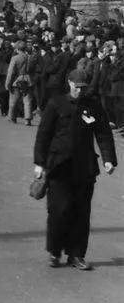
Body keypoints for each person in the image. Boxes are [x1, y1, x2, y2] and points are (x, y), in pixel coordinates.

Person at [33, 69, 117, 270]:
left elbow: (103, 133)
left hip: (84, 167)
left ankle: (77, 254)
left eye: (83, 87)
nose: (79, 90)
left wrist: (108, 159)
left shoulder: (93, 106)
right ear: (69, 83)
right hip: (59, 167)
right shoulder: (56, 103)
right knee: (59, 211)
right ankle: (55, 252)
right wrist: (39, 163)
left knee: (81, 212)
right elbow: (43, 135)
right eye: (76, 86)